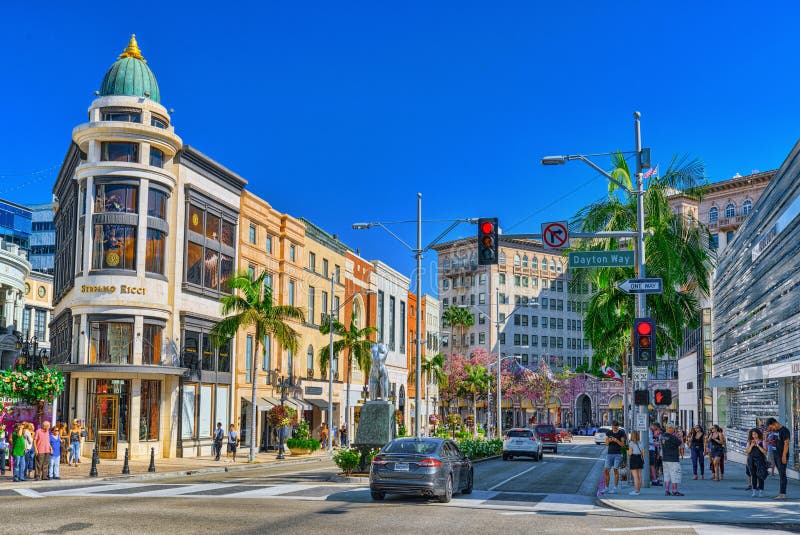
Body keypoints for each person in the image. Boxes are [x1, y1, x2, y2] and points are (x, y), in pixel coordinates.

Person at [766, 417, 790, 500]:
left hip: (781, 456)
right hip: (775, 454)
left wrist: (784, 456)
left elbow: (786, 444)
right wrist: (770, 442)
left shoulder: (784, 430)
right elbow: (777, 441)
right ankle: (781, 493)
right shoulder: (776, 431)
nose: (771, 429)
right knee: (780, 474)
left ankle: (783, 494)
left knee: (782, 474)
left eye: (771, 427)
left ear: (774, 423)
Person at [602, 420, 626, 494]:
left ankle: (615, 488)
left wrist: (616, 441)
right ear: (612, 426)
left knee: (616, 470)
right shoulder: (609, 432)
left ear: (618, 427)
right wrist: (609, 440)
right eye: (613, 427)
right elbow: (606, 444)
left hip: (618, 454)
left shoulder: (621, 433)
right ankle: (606, 487)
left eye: (615, 428)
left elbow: (623, 444)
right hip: (609, 453)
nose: (614, 429)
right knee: (606, 471)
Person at [661, 423, 684, 496]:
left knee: (667, 475)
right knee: (675, 474)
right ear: (670, 428)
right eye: (673, 429)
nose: (674, 430)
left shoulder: (663, 436)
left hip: (665, 458)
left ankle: (667, 490)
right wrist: (680, 437)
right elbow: (681, 444)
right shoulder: (672, 437)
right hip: (673, 458)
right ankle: (675, 490)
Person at [746, 428, 768, 498]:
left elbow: (765, 452)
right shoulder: (749, 442)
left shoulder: (762, 441)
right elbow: (747, 452)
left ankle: (761, 491)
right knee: (753, 475)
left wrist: (758, 446)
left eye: (755, 434)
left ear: (758, 434)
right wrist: (752, 445)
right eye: (752, 434)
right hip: (751, 460)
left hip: (760, 460)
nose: (754, 435)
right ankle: (754, 491)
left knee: (760, 475)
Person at [627, 430, 644, 495]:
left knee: (635, 476)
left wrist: (627, 452)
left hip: (634, 458)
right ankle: (638, 490)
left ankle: (636, 491)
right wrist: (642, 459)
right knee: (639, 475)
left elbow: (630, 453)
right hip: (640, 458)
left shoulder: (631, 443)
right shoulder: (641, 443)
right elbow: (643, 453)